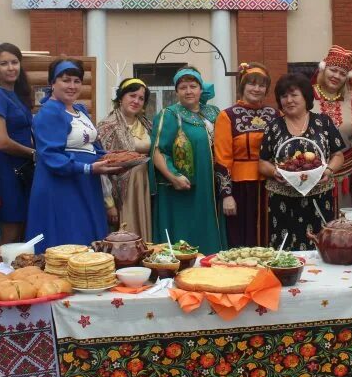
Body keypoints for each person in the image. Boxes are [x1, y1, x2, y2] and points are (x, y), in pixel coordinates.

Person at [25, 58, 122, 252]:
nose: (72, 86)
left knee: (88, 240)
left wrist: (113, 157)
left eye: (77, 81)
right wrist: (88, 167)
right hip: (61, 188)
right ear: (52, 83)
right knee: (67, 240)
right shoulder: (49, 113)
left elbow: (90, 146)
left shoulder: (80, 110)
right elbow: (51, 156)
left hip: (85, 185)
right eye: (66, 80)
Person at [259, 73, 345, 250]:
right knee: (283, 251)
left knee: (321, 246)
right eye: (284, 96)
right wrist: (275, 172)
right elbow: (262, 162)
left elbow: (338, 155)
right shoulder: (273, 127)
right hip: (282, 200)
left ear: (306, 97)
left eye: (294, 95)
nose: (289, 100)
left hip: (318, 198)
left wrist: (328, 171)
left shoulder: (323, 122)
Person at [150, 67, 226, 254]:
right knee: (186, 234)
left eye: (193, 86)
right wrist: (173, 176)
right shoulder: (169, 115)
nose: (188, 91)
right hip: (184, 188)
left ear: (201, 89)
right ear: (176, 91)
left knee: (209, 223)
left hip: (213, 186)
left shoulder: (214, 113)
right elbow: (158, 151)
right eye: (183, 87)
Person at [0, 43, 35, 268]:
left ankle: (12, 290)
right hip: (10, 172)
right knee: (9, 237)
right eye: (4, 63)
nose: (10, 68)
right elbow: (1, 142)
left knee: (22, 237)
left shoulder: (18, 96)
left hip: (25, 170)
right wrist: (35, 153)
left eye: (14, 62)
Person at [214, 62, 278, 246]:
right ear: (242, 86)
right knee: (242, 238)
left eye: (262, 85)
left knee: (268, 237)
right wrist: (226, 194)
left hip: (271, 184)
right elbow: (222, 157)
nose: (257, 89)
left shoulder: (274, 114)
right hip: (240, 187)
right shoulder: (228, 116)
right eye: (252, 83)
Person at [97, 78, 153, 240]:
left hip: (143, 191)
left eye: (141, 98)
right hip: (120, 195)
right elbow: (102, 166)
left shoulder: (148, 125)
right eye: (132, 95)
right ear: (121, 97)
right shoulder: (107, 126)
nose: (136, 101)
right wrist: (109, 204)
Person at [313, 45, 352, 209]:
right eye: (333, 70)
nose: (336, 76)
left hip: (347, 175)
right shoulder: (306, 96)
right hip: (314, 173)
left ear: (347, 77)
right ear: (324, 68)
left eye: (342, 73)